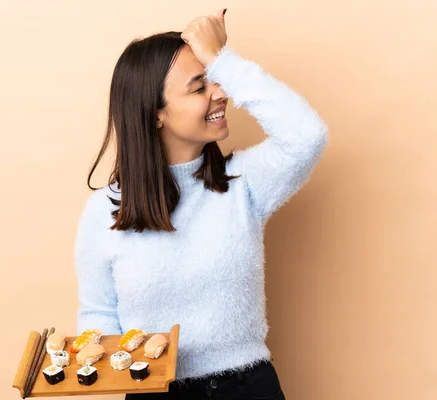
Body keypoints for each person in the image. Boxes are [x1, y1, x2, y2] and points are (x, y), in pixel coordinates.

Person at [74, 8, 328, 400]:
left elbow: (307, 136)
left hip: (249, 388)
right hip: (154, 392)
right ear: (155, 113)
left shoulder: (243, 184)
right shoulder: (105, 212)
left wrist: (220, 59)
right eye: (199, 87)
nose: (221, 93)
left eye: (217, 81)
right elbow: (98, 315)